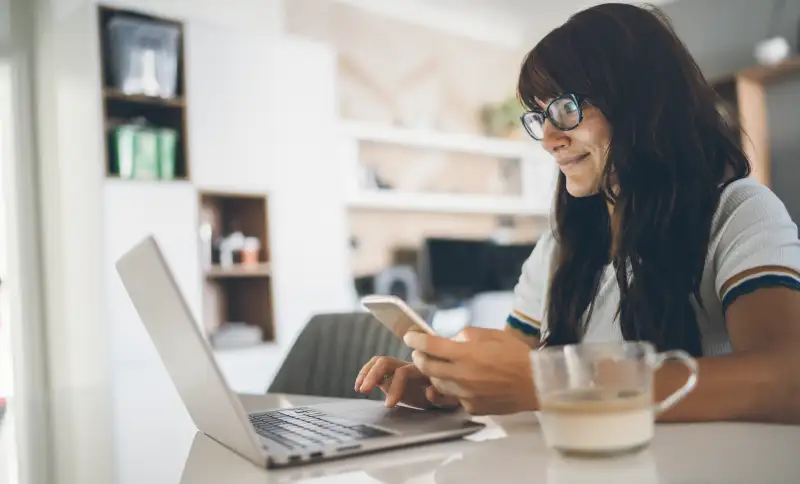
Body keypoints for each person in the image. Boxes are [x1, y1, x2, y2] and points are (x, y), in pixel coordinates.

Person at [355, 3, 800, 424]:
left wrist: (556, 385)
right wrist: (452, 383)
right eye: (539, 116)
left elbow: (786, 379)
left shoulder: (737, 212)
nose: (548, 138)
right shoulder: (559, 246)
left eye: (566, 108)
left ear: (640, 100)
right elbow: (514, 367)